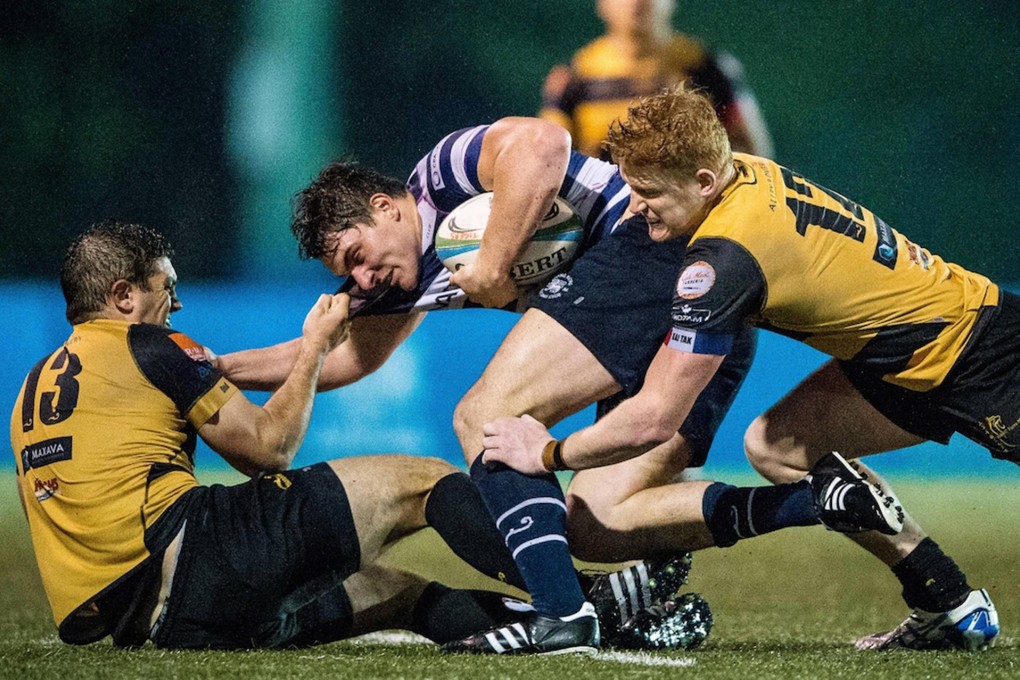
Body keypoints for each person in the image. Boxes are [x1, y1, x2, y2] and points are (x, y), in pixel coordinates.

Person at [215, 118, 904, 654]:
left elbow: (543, 145)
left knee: (487, 417)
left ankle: (560, 615)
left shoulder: (440, 175)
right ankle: (816, 502)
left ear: (383, 207)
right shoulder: (398, 277)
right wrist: (213, 370)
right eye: (349, 272)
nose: (361, 279)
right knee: (598, 523)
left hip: (649, 248)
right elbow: (348, 363)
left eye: (358, 256)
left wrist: (493, 260)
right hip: (680, 310)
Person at [482, 86, 1009, 653]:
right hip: (904, 353)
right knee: (778, 447)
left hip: (987, 355)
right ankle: (948, 603)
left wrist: (544, 454)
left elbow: (653, 420)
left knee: (775, 448)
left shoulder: (723, 258)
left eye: (648, 191)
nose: (634, 206)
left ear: (704, 182)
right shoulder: (744, 172)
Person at [9, 221, 575, 650]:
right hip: (202, 561)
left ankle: (586, 623)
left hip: (154, 622)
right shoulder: (151, 344)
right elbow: (267, 451)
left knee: (397, 592)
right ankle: (571, 598)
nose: (177, 303)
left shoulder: (28, 393)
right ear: (124, 295)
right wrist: (315, 347)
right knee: (425, 482)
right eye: (166, 287)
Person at [540, 0, 772, 159]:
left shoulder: (706, 67)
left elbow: (753, 149)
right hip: (604, 214)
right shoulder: (576, 75)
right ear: (602, 4)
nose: (638, 2)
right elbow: (550, 156)